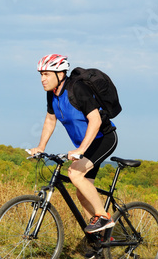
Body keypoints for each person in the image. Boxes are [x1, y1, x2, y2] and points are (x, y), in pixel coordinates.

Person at [29, 54, 118, 234]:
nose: (42, 79)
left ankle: (103, 216)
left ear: (60, 74)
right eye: (41, 75)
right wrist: (41, 147)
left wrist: (81, 150)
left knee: (75, 174)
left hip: (103, 139)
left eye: (46, 74)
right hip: (86, 144)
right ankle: (101, 240)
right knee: (80, 190)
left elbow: (95, 121)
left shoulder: (77, 89)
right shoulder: (52, 94)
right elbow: (50, 119)